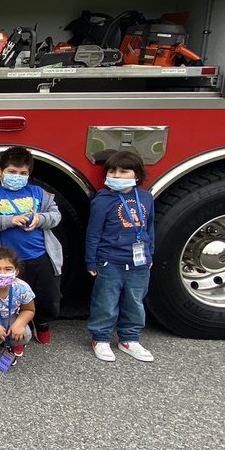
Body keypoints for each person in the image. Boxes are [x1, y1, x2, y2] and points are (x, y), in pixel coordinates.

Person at [0, 146, 63, 345]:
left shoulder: (39, 193)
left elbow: (56, 216)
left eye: (23, 173)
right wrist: (9, 220)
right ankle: (17, 327)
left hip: (40, 256)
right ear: (0, 171)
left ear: (29, 174)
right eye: (12, 172)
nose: (17, 176)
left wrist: (40, 219)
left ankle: (43, 323)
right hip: (8, 262)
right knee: (11, 298)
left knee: (49, 297)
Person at [86, 150, 156, 363]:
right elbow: (93, 233)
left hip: (139, 262)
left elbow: (149, 227)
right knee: (105, 302)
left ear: (137, 176)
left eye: (123, 171)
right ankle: (100, 338)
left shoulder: (145, 197)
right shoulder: (102, 200)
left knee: (135, 301)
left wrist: (149, 254)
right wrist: (91, 260)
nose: (116, 175)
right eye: (112, 171)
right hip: (110, 261)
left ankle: (129, 339)